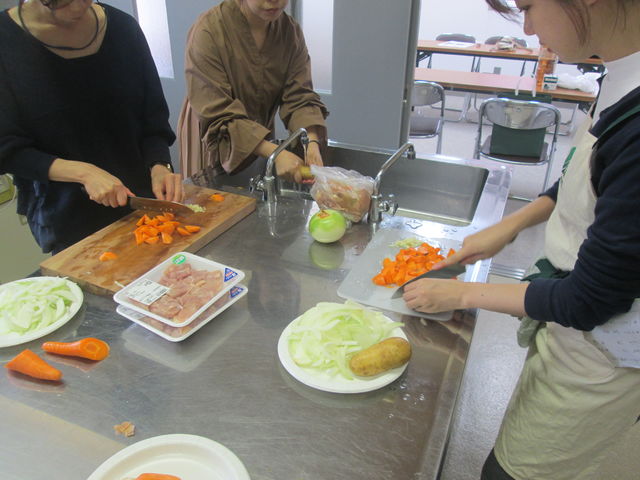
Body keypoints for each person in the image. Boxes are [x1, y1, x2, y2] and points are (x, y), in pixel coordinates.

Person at [401, 0, 640, 478]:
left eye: (529, 7)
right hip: (575, 330)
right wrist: (510, 226)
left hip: (607, 354)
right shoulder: (619, 76)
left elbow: (590, 300)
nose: (527, 28)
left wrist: (462, 292)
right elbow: (587, 174)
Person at [0, 0, 182, 254]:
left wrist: (160, 165)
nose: (77, 8)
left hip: (140, 205)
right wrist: (83, 173)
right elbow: (7, 149)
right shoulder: (5, 42)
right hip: (67, 217)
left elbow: (153, 118)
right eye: (60, 1)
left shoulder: (123, 28)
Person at [178, 0, 328, 184]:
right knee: (210, 205)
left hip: (258, 135)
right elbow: (218, 113)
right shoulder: (208, 31)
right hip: (214, 131)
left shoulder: (289, 32)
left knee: (254, 197)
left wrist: (311, 143)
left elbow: (299, 96)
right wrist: (275, 153)